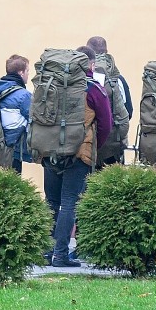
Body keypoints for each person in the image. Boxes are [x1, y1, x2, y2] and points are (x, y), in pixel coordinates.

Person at [43, 46, 112, 268]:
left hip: (50, 150)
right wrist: (92, 147)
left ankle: (47, 251)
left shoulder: (51, 84)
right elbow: (106, 125)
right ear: (91, 64)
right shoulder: (93, 89)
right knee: (69, 202)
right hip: (79, 153)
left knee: (51, 202)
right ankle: (61, 255)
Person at [0, 54, 32, 174]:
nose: (28, 74)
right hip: (12, 150)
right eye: (27, 71)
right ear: (21, 73)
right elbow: (35, 118)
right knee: (11, 186)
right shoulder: (23, 95)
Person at [86, 36, 133, 121]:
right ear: (106, 52)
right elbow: (129, 111)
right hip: (113, 131)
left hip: (87, 131)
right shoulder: (118, 79)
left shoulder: (80, 76)